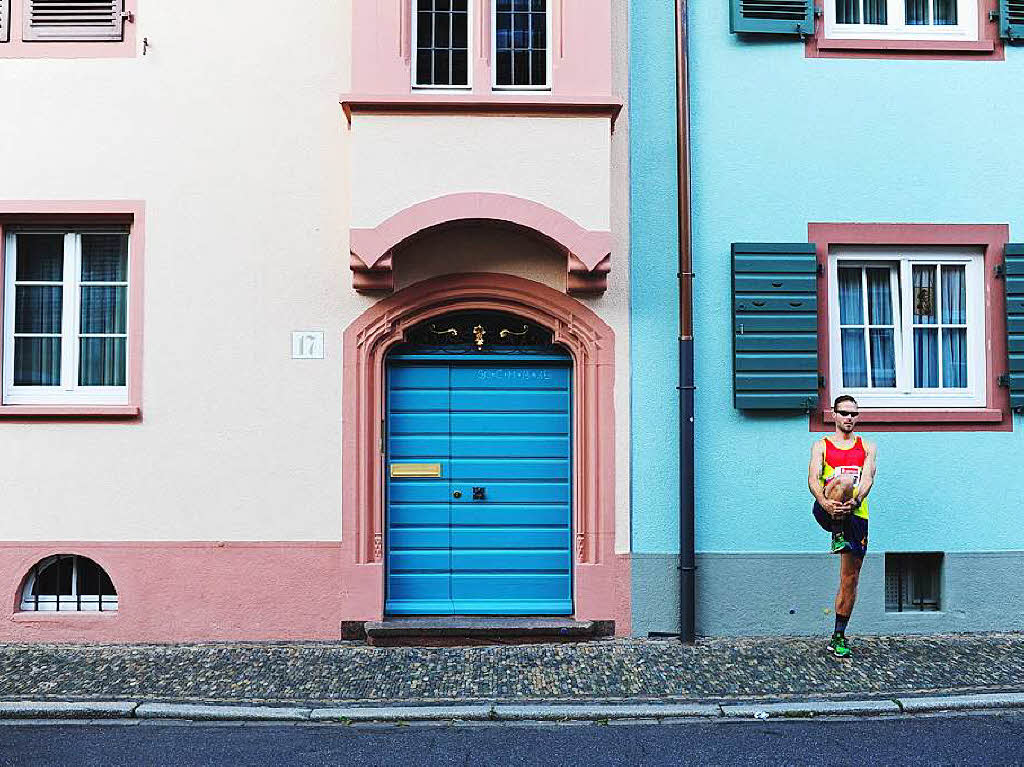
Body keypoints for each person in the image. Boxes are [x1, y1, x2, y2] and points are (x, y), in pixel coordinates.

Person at [807, 395, 877, 658]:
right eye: (844, 413)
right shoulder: (821, 445)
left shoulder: (868, 446)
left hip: (856, 513)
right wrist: (824, 502)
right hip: (827, 507)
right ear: (834, 415)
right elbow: (813, 478)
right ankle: (836, 532)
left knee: (851, 577)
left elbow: (869, 477)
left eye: (854, 414)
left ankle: (838, 635)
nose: (849, 418)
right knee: (845, 480)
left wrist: (857, 500)